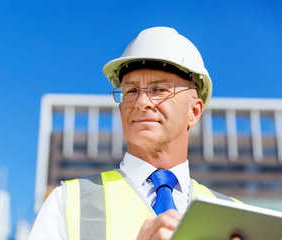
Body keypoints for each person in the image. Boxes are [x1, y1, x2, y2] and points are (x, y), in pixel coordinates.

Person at [28, 26, 242, 240]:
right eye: (131, 91)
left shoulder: (237, 218)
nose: (141, 103)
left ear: (193, 112)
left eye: (159, 90)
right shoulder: (67, 203)